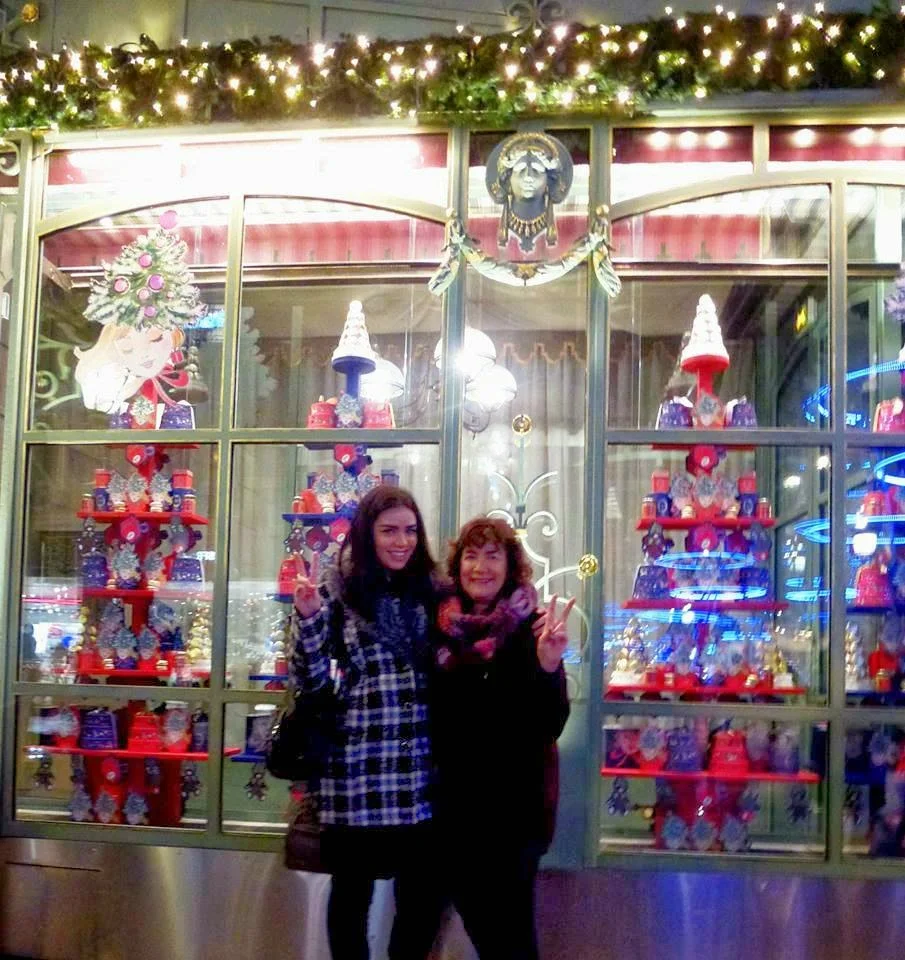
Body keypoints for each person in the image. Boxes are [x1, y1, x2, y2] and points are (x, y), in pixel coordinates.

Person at [289, 485, 447, 960]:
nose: (402, 541)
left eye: (410, 530)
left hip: (418, 775)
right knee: (352, 896)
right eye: (389, 530)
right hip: (356, 774)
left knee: (422, 900)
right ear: (367, 535)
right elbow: (311, 681)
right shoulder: (340, 595)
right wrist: (310, 616)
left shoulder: (434, 594)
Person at [432, 517, 573, 960]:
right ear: (457, 566)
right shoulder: (440, 630)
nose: (481, 567)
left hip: (513, 817)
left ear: (510, 566)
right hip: (452, 815)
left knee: (511, 940)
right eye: (471, 555)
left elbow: (550, 722)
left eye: (493, 555)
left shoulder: (532, 629)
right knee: (483, 928)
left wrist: (549, 666)